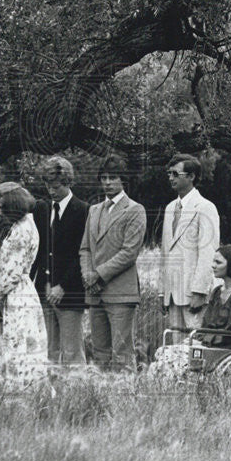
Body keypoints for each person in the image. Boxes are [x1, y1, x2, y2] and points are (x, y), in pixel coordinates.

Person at [79, 154, 147, 372]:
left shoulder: (135, 210)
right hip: (95, 292)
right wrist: (87, 275)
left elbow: (129, 252)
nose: (107, 182)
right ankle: (101, 398)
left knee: (122, 352)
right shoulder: (94, 210)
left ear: (123, 180)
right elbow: (85, 248)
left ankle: (124, 399)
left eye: (113, 177)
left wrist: (98, 273)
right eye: (104, 178)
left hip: (120, 293)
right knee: (99, 352)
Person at [148, 244, 231, 379]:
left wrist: (204, 342)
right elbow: (206, 324)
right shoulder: (217, 291)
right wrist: (196, 338)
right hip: (210, 343)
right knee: (162, 352)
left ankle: (170, 385)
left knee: (170, 355)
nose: (213, 265)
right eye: (213, 261)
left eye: (218, 262)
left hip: (225, 348)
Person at [30, 156, 89, 365]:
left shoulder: (83, 210)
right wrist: (35, 283)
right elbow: (37, 250)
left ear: (68, 182)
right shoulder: (41, 209)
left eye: (55, 186)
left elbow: (81, 254)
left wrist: (62, 285)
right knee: (48, 350)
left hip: (70, 292)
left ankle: (78, 394)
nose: (51, 191)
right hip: (42, 290)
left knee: (72, 351)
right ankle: (52, 395)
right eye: (47, 185)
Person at [160, 153, 220, 340]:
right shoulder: (170, 208)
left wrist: (199, 291)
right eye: (169, 174)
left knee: (195, 346)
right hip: (172, 292)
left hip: (192, 293)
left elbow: (208, 253)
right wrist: (163, 290)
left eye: (176, 174)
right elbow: (165, 253)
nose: (171, 178)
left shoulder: (205, 207)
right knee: (175, 347)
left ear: (192, 176)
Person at [0, 183, 48, 377]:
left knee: (17, 343)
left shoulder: (22, 230)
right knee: (23, 341)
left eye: (2, 208)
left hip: (17, 293)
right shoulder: (24, 225)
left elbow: (12, 272)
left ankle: (19, 387)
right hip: (22, 290)